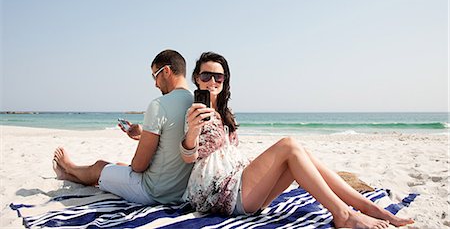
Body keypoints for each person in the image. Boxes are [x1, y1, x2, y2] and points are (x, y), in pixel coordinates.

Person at [180, 52, 414, 229]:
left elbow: (229, 155)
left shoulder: (224, 113)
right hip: (219, 194)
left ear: (225, 80)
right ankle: (343, 215)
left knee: (300, 154)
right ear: (196, 79)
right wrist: (192, 131)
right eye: (206, 75)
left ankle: (368, 207)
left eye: (218, 76)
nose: (212, 81)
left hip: (243, 189)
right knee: (289, 145)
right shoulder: (194, 112)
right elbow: (189, 157)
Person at [53, 49, 194, 205]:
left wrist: (142, 146)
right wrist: (144, 136)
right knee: (119, 166)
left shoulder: (159, 105)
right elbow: (175, 140)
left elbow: (139, 166)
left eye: (155, 76)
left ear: (166, 71)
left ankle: (69, 168)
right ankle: (69, 176)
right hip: (179, 192)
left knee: (100, 166)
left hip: (153, 192)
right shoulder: (196, 104)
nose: (155, 84)